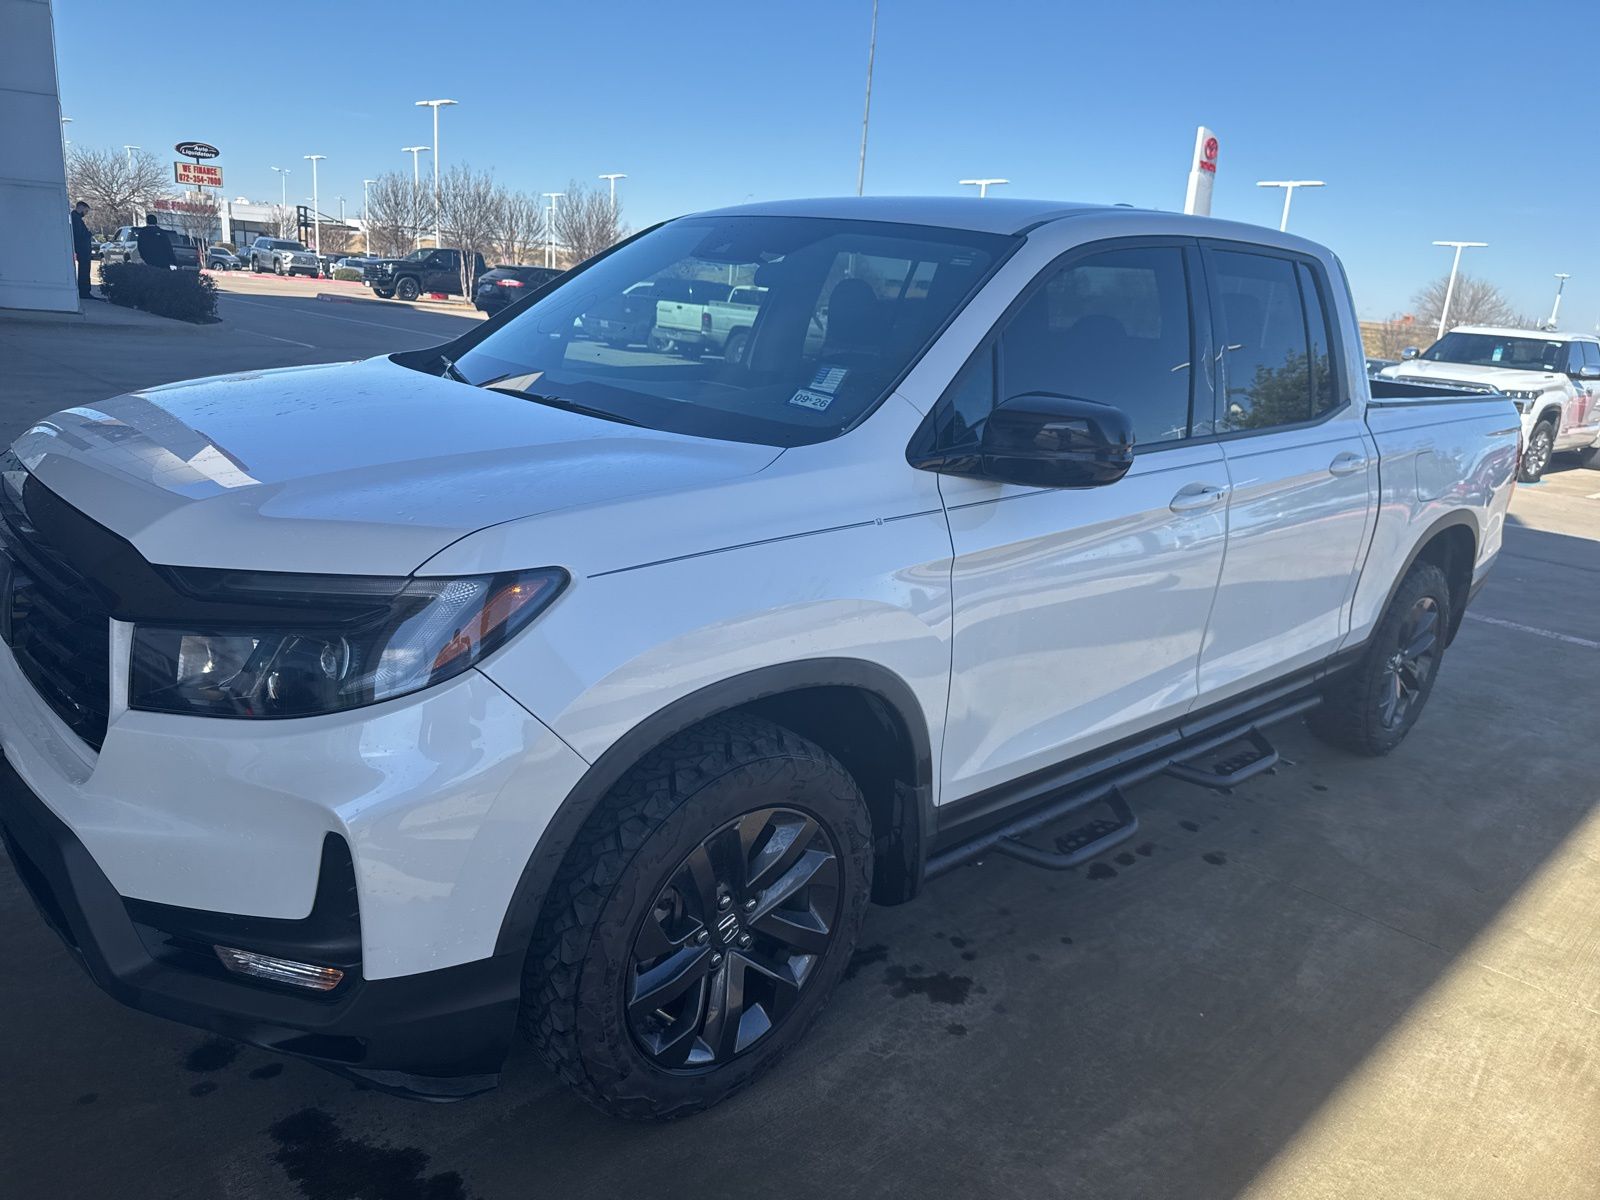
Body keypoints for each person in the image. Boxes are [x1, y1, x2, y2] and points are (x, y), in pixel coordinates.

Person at [69, 200, 95, 298]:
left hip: (83, 249)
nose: (86, 213)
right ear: (81, 208)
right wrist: (88, 234)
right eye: (86, 211)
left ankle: (85, 291)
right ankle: (84, 291)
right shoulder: (75, 218)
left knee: (85, 269)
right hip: (82, 249)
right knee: (84, 270)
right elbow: (79, 234)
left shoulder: (76, 218)